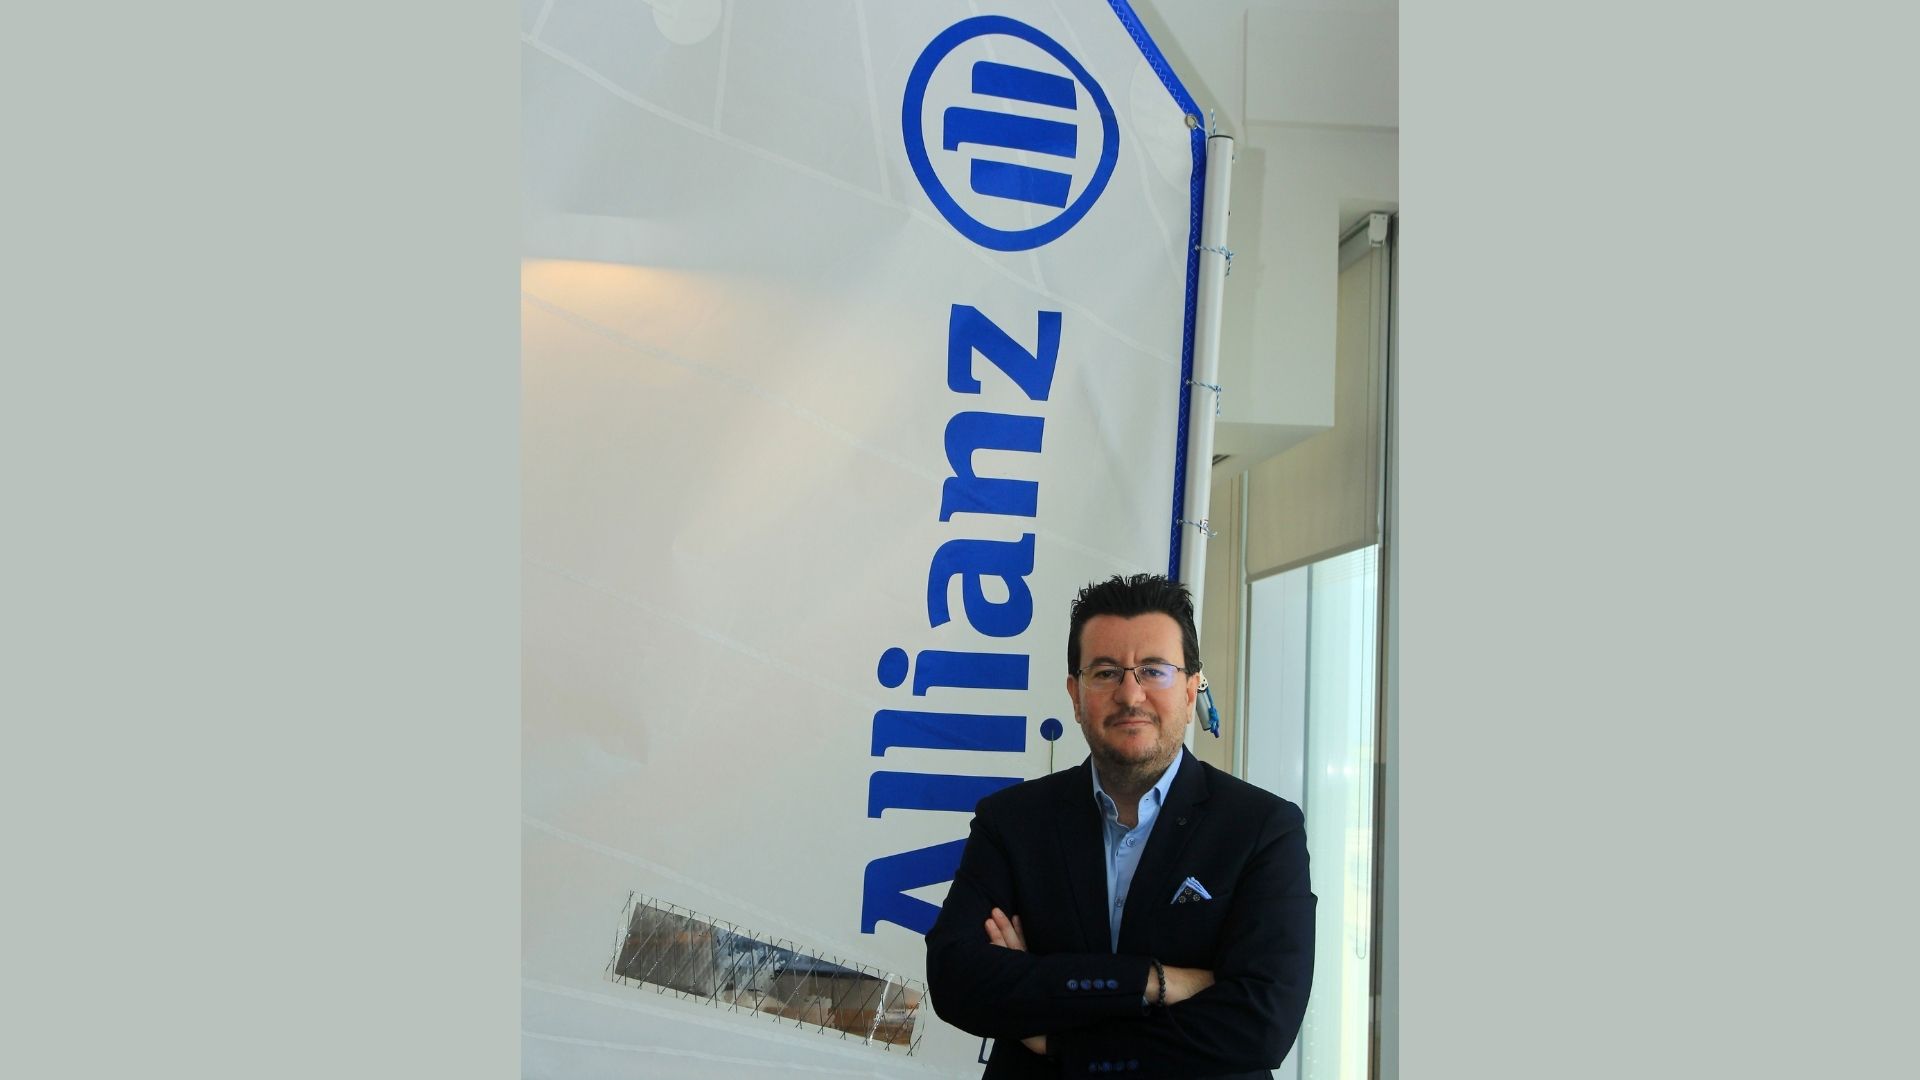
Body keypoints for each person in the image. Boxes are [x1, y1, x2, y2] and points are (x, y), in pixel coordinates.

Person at [925, 573, 1314, 1078]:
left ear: (1192, 689)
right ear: (1075, 694)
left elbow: (1262, 1023)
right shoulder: (1011, 822)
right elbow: (956, 980)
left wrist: (1060, 1037)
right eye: (1106, 672)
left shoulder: (1264, 828)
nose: (1131, 694)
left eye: (1154, 670)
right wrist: (1153, 981)